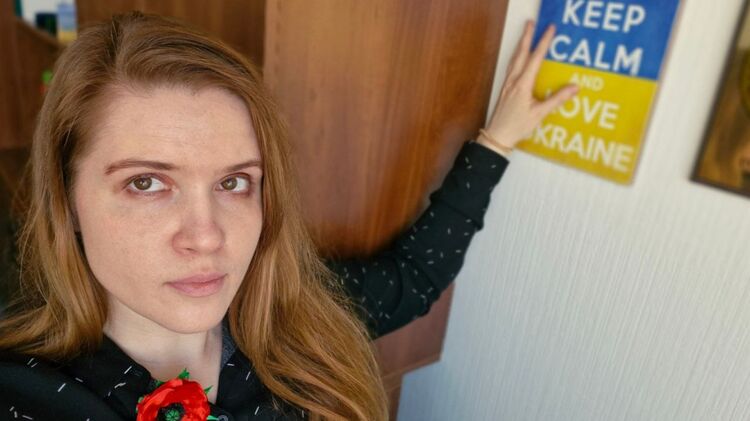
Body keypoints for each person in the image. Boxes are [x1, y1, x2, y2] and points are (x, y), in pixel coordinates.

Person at [0, 11, 577, 421]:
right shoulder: (24, 394)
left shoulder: (302, 322)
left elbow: (417, 275)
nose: (207, 236)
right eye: (146, 183)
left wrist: (497, 142)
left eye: (234, 182)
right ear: (68, 200)